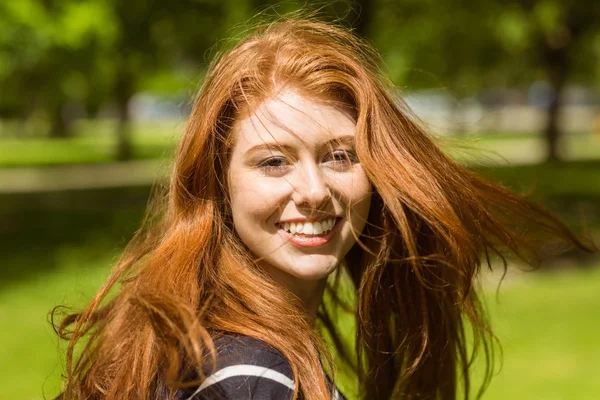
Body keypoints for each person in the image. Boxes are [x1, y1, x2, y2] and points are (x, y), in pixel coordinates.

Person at [53, 17, 594, 400]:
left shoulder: (209, 339)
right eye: (273, 162)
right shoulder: (250, 377)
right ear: (217, 184)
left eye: (340, 156)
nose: (314, 190)